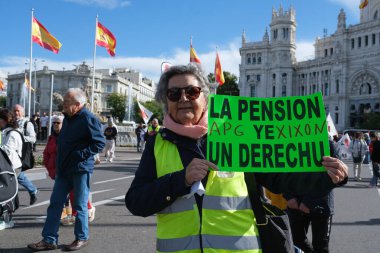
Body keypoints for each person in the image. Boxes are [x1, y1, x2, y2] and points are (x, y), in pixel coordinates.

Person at [125, 64, 348, 252]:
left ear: (205, 97)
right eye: (174, 94)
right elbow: (136, 202)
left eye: (192, 92)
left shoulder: (236, 133)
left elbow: (280, 177)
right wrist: (181, 180)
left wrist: (330, 176)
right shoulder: (157, 143)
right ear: (166, 100)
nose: (183, 98)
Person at [28, 88, 105, 251]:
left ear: (77, 104)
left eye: (67, 102)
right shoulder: (68, 118)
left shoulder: (88, 118)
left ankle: (81, 238)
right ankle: (49, 239)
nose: (63, 104)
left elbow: (99, 143)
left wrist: (80, 154)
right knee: (55, 203)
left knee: (80, 205)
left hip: (80, 168)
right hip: (63, 169)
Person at [285, 138, 338, 253]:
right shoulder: (289, 140)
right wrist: (289, 197)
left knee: (321, 246)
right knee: (296, 242)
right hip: (295, 203)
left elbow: (333, 177)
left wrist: (308, 201)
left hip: (321, 205)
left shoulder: (328, 145)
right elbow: (281, 170)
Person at [0, 109, 22, 230]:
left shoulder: (12, 133)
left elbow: (8, 150)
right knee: (5, 192)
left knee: (7, 193)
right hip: (5, 166)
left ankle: (7, 219)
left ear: (4, 120)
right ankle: (5, 218)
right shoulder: (6, 132)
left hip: (11, 167)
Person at [13, 104, 38, 205]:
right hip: (11, 153)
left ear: (22, 112)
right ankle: (32, 191)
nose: (16, 113)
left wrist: (20, 138)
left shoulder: (27, 124)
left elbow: (33, 138)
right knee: (18, 176)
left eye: (18, 111)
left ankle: (12, 200)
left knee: (13, 176)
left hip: (20, 155)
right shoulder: (11, 123)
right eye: (14, 111)